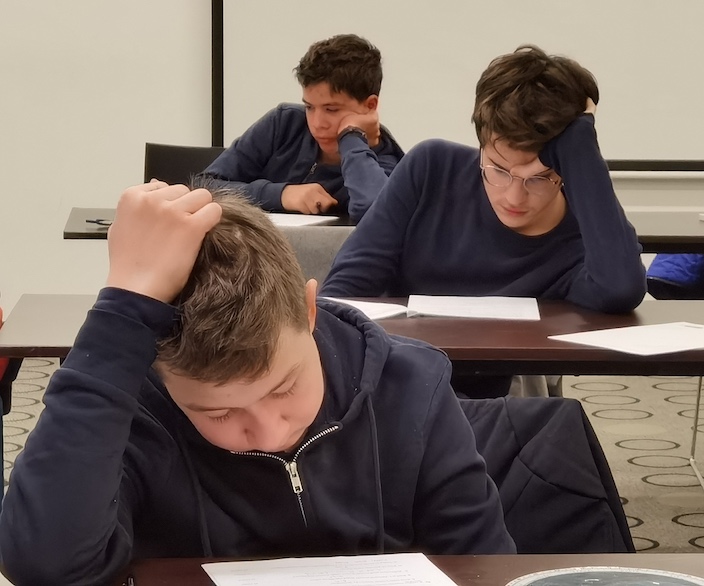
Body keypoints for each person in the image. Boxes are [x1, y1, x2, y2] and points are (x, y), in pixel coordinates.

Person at [0, 183, 514, 584]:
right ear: (157, 369)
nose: (270, 433)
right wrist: (122, 309)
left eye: (284, 388)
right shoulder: (134, 414)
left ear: (309, 309)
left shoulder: (413, 384)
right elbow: (45, 568)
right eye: (219, 413)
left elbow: (484, 567)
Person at [318, 45, 646, 398]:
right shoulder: (432, 168)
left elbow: (620, 289)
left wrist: (580, 142)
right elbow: (341, 295)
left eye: (539, 178)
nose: (513, 197)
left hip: (496, 404)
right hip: (399, 387)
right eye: (498, 170)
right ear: (481, 145)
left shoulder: (583, 239)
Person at [201, 34, 404, 221]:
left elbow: (377, 214)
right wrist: (281, 195)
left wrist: (352, 138)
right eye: (309, 107)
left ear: (370, 106)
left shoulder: (385, 163)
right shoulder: (284, 122)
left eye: (331, 109)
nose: (317, 123)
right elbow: (205, 186)